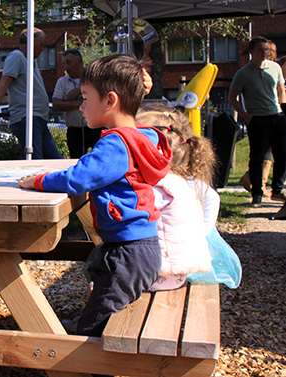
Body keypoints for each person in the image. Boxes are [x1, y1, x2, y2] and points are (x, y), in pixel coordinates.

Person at [19, 54, 172, 339]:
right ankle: (86, 326)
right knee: (104, 294)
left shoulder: (116, 142)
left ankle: (84, 359)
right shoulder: (143, 136)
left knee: (98, 321)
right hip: (142, 246)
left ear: (110, 101)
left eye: (86, 97)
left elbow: (78, 178)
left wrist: (36, 182)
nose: (81, 105)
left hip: (127, 251)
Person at [136, 103, 216, 291]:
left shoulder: (159, 186)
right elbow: (213, 198)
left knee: (101, 280)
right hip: (179, 272)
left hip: (160, 274)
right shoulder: (179, 181)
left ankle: (91, 321)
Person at [0, 27, 63, 159]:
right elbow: (4, 82)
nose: (42, 49)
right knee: (36, 161)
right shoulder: (16, 57)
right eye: (41, 45)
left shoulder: (32, 61)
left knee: (55, 161)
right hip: (27, 118)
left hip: (38, 118)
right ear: (30, 43)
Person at [229, 36, 286, 207]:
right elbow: (232, 97)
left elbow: (281, 89)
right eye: (261, 50)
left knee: (282, 155)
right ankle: (257, 194)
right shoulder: (243, 73)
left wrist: (283, 109)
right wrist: (246, 116)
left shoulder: (275, 68)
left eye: (266, 50)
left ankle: (277, 189)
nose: (264, 53)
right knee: (257, 158)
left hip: (276, 116)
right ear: (252, 52)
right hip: (257, 119)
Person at [52, 49, 102, 158]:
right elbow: (56, 105)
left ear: (80, 62)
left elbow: (102, 96)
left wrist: (79, 90)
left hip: (96, 129)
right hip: (74, 132)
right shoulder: (62, 82)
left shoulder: (94, 78)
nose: (66, 67)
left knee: (100, 159)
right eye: (64, 64)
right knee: (75, 161)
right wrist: (78, 103)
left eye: (69, 63)